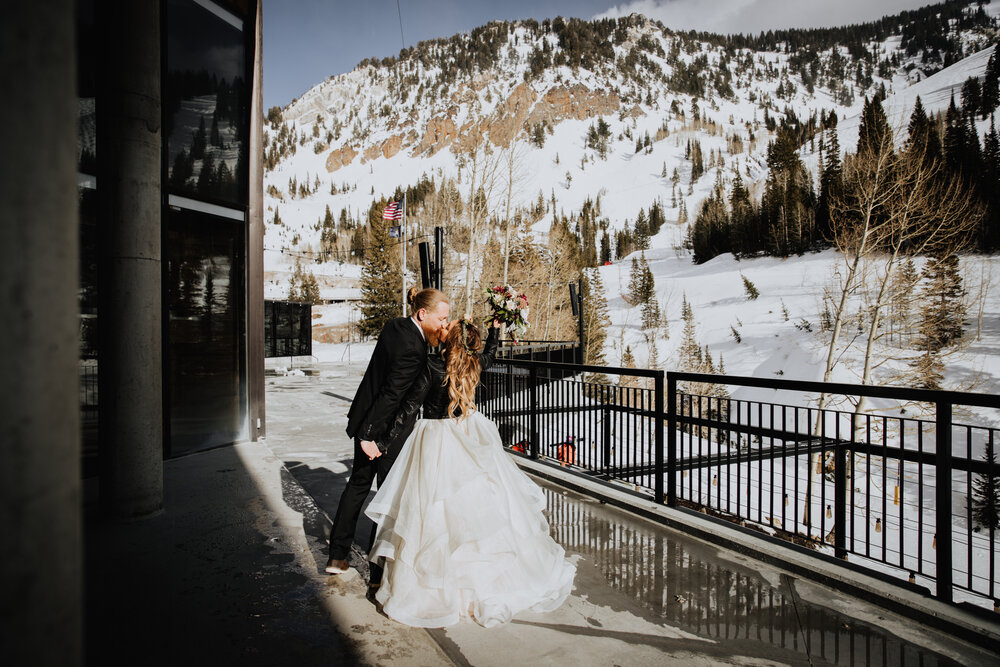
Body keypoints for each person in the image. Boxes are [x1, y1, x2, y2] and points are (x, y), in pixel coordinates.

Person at [364, 318, 576, 628]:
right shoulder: (473, 363)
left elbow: (408, 408)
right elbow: (491, 353)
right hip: (469, 432)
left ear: (446, 338)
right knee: (476, 508)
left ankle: (441, 588)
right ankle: (478, 585)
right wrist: (495, 328)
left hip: (435, 440)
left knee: (434, 511)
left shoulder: (431, 365)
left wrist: (381, 441)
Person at [325, 287, 450, 578]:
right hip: (384, 434)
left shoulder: (395, 326)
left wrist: (363, 431)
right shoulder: (415, 350)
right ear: (423, 314)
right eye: (441, 318)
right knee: (387, 500)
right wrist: (370, 437)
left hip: (364, 421)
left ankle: (337, 556)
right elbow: (392, 396)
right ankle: (377, 575)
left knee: (356, 486)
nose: (444, 324)